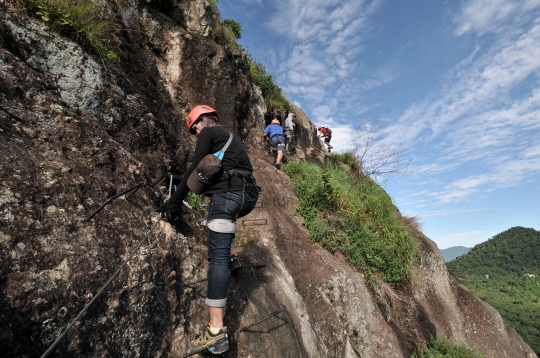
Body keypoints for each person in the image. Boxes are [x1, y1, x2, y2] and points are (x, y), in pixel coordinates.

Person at [157, 104, 259, 354]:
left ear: (199, 122)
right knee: (225, 231)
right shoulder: (232, 140)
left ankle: (215, 332)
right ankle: (233, 256)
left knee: (217, 259)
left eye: (194, 130)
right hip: (245, 198)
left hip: (227, 197)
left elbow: (195, 167)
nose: (196, 135)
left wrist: (173, 203)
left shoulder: (208, 134)